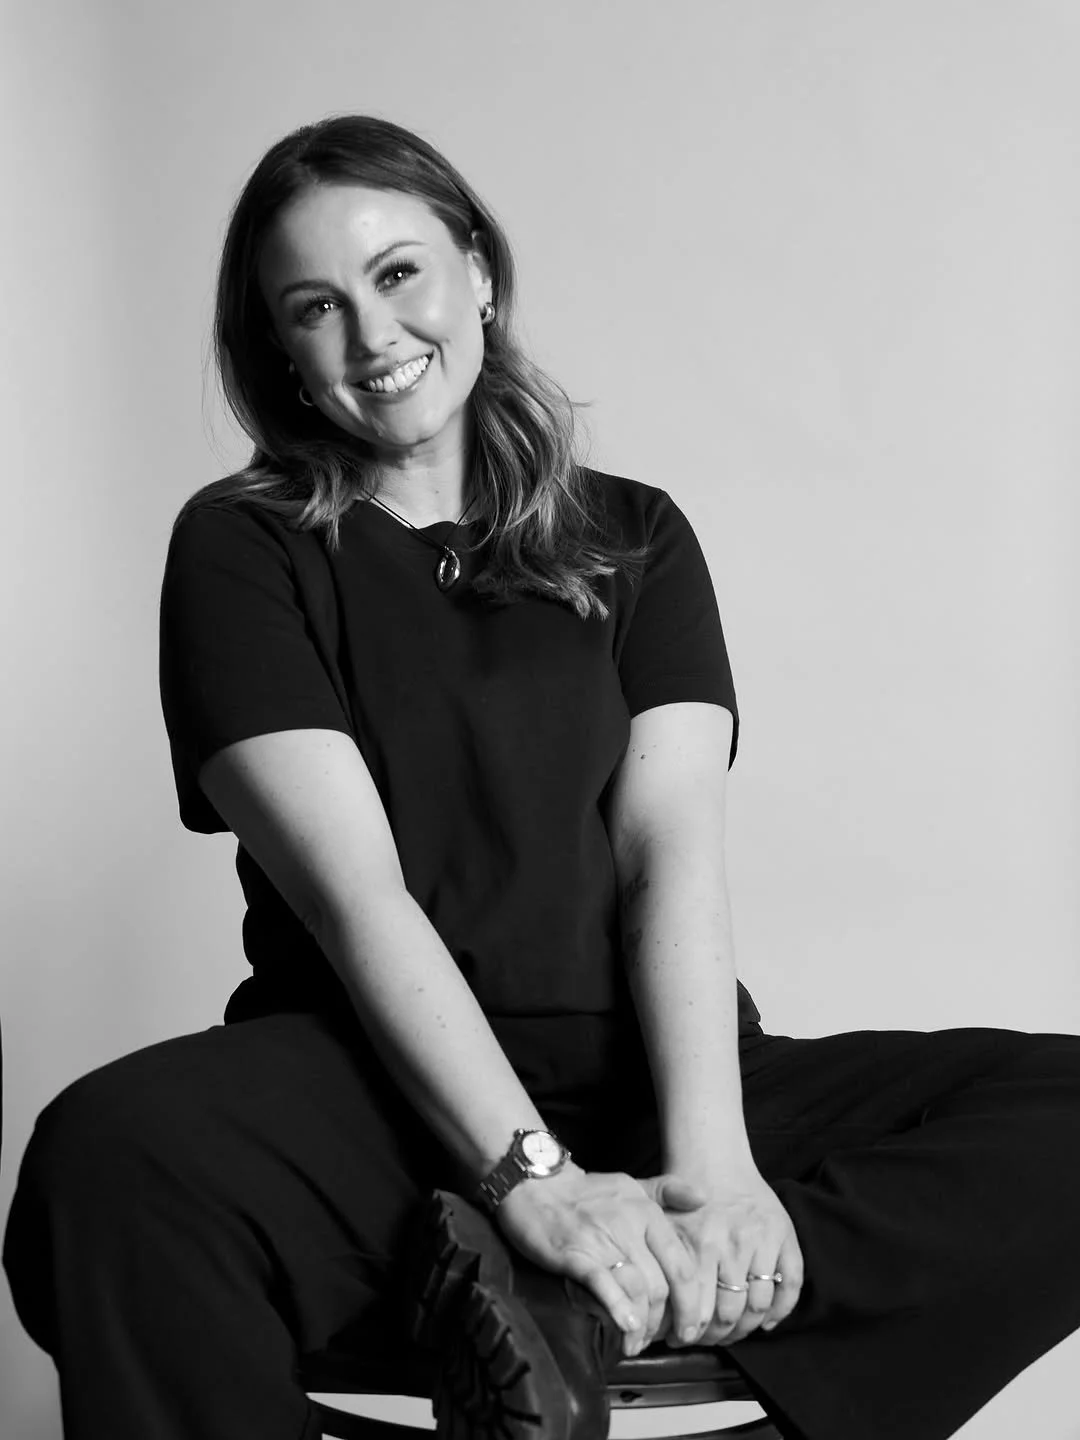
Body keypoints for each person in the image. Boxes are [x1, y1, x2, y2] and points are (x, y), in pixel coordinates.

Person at [5, 114, 1080, 1440]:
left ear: (478, 271)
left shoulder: (635, 535)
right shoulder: (243, 547)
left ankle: (596, 1304)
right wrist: (535, 1182)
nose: (373, 334)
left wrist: (714, 1173)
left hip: (643, 1071)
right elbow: (358, 900)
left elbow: (668, 854)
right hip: (374, 1086)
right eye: (317, 306)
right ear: (279, 347)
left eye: (398, 273)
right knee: (109, 1158)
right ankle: (529, 1265)